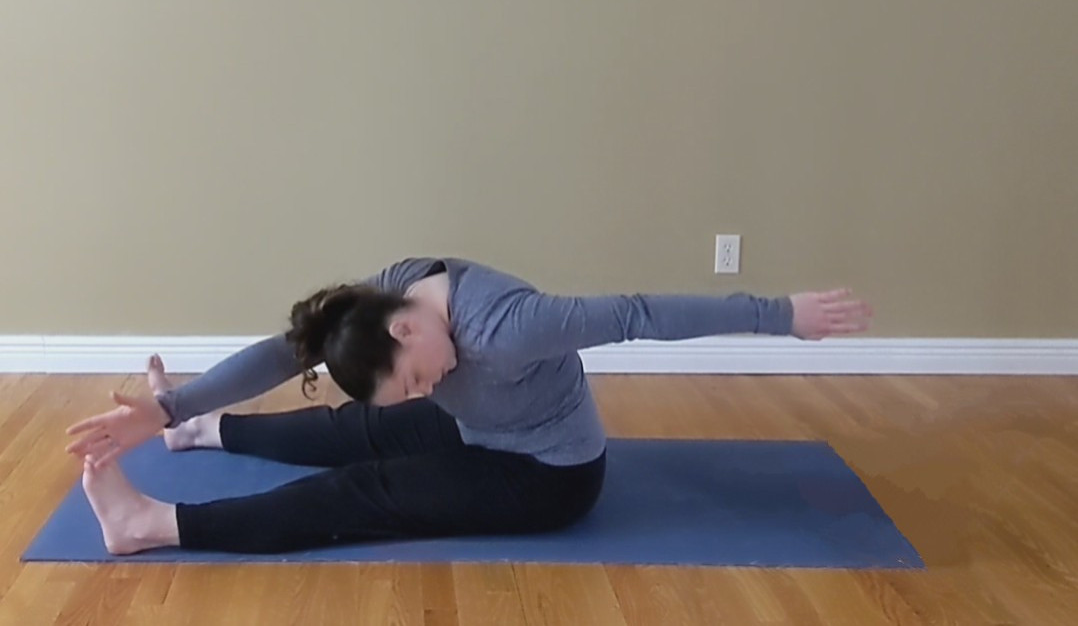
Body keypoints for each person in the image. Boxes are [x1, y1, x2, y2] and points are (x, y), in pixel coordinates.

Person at [65, 256, 873, 555]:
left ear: (410, 329)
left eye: (416, 376)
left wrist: (783, 315)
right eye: (414, 384)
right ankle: (203, 430)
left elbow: (640, 313)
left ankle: (149, 526)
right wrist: (167, 409)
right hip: (481, 425)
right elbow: (292, 346)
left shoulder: (515, 329)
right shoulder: (388, 297)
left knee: (361, 490)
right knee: (358, 425)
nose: (421, 387)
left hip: (545, 472)